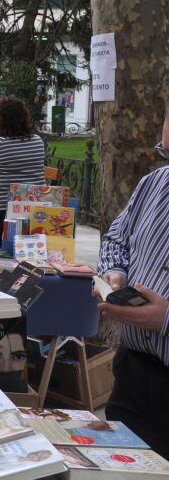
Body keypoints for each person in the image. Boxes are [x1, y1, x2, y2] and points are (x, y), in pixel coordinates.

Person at [94, 112, 169, 457]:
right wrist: (114, 274)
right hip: (134, 373)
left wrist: (165, 318)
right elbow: (116, 240)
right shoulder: (154, 183)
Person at [0, 96, 46, 244]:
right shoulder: (37, 141)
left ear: (2, 120)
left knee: (2, 246)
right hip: (34, 206)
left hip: (3, 207)